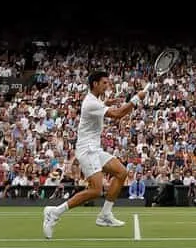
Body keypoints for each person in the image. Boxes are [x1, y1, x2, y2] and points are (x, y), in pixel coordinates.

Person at [42, 71, 139, 237]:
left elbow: (108, 111)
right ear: (95, 84)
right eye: (104, 83)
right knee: (95, 190)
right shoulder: (91, 103)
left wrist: (107, 103)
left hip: (95, 148)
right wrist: (137, 99)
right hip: (87, 150)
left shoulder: (96, 101)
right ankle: (55, 212)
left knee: (121, 172)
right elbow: (117, 114)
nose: (107, 86)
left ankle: (105, 214)